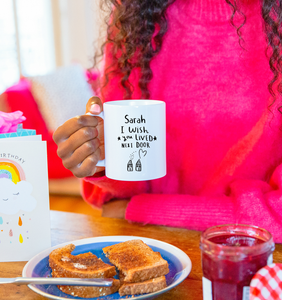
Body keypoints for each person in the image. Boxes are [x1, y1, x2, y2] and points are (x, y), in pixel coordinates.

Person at [53, 0, 282, 242]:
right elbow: (130, 180)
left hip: (251, 256)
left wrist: (145, 211)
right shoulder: (135, 13)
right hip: (155, 246)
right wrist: (101, 159)